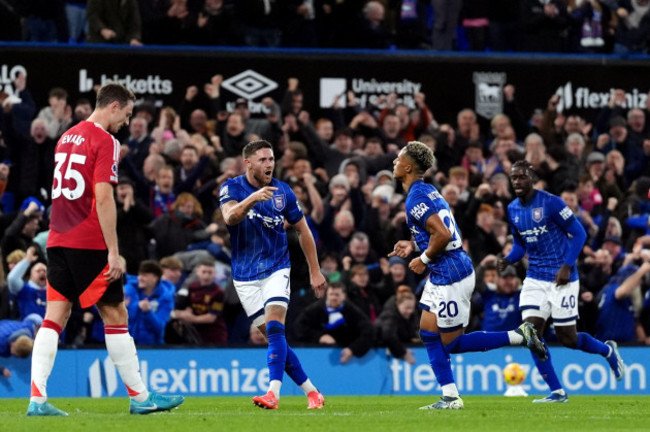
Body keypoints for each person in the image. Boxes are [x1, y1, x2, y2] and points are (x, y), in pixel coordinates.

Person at [27, 83, 183, 417]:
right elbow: (102, 196)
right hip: (88, 240)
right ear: (113, 106)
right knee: (116, 314)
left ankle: (37, 400)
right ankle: (140, 398)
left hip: (57, 238)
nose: (125, 123)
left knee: (54, 318)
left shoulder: (66, 137)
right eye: (126, 115)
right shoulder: (105, 140)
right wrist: (114, 251)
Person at [389, 141, 545, 410]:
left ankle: (521, 335)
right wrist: (414, 244)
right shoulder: (427, 190)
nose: (394, 160)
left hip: (451, 273)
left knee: (451, 344)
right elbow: (440, 231)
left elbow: (444, 234)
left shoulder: (416, 197)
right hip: (445, 269)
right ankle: (450, 397)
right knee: (427, 332)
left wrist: (423, 258)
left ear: (408, 166)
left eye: (398, 157)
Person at [498, 159, 625, 404]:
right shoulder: (512, 208)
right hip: (534, 278)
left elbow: (580, 233)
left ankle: (607, 351)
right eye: (513, 178)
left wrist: (567, 266)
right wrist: (508, 259)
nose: (517, 182)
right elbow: (520, 245)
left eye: (522, 176)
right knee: (531, 335)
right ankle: (557, 391)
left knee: (568, 338)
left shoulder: (551, 202)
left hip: (562, 278)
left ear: (532, 178)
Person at [219, 139, 326, 410]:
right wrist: (254, 198)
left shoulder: (283, 192)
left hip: (277, 267)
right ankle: (313, 392)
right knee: (275, 339)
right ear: (248, 163)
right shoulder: (231, 187)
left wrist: (315, 270)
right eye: (263, 160)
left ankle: (272, 393)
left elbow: (303, 230)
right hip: (244, 276)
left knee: (277, 325)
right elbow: (230, 218)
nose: (269, 164)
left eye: (272, 159)